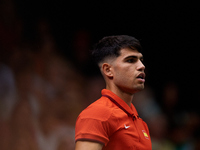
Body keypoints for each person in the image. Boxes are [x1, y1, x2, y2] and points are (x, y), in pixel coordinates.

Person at [75, 35, 152, 150]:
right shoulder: (97, 114)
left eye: (141, 60)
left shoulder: (141, 123)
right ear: (108, 70)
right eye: (131, 60)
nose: (141, 66)